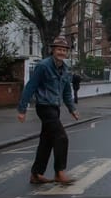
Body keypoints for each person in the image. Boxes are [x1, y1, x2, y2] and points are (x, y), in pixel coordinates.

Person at [17, 36, 80, 185]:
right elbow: (30, 86)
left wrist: (72, 109)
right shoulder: (43, 66)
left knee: (46, 141)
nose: (61, 52)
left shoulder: (65, 69)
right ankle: (60, 172)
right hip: (44, 107)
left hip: (55, 108)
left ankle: (36, 174)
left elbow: (66, 92)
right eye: (59, 49)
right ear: (53, 50)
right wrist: (22, 109)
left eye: (64, 50)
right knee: (61, 137)